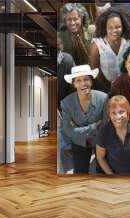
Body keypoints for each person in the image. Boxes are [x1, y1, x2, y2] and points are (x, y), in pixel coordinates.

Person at [61, 65, 108, 174]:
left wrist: (78, 129)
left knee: (102, 170)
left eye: (86, 79)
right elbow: (68, 130)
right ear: (74, 84)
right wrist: (95, 126)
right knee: (80, 173)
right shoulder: (66, 103)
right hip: (79, 142)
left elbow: (105, 124)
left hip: (100, 140)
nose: (83, 84)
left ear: (91, 81)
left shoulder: (104, 98)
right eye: (78, 80)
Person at [89, 7, 130, 92]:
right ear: (105, 28)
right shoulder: (97, 45)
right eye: (110, 27)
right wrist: (109, 86)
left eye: (118, 27)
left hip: (128, 83)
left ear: (123, 26)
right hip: (105, 86)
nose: (114, 30)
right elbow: (95, 70)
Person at [57, 37, 75, 174]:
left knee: (65, 144)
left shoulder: (67, 60)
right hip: (55, 105)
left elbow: (73, 85)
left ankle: (66, 171)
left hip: (65, 105)